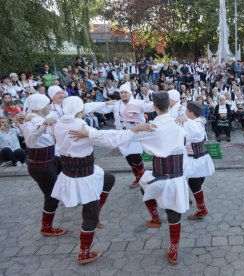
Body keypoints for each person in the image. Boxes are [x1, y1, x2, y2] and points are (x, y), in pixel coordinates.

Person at [70, 91, 189, 265]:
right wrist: (187, 118)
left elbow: (117, 138)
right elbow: (198, 125)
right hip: (177, 177)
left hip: (161, 176)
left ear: (154, 107)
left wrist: (89, 135)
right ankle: (173, 248)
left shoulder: (151, 127)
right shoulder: (181, 124)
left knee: (144, 183)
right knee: (171, 212)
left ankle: (155, 216)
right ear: (170, 105)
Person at [51, 96, 140, 264]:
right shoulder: (81, 127)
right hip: (84, 175)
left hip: (74, 169)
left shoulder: (58, 123)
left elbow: (85, 109)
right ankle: (83, 253)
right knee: (89, 215)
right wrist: (134, 131)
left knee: (109, 179)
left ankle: (96, 212)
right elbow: (110, 139)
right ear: (79, 110)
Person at [19, 93, 65, 236]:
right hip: (41, 167)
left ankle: (75, 196)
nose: (50, 106)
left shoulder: (33, 117)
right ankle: (46, 227)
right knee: (52, 196)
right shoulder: (33, 122)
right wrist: (43, 123)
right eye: (47, 104)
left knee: (67, 172)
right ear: (39, 107)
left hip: (50, 160)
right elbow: (33, 137)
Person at [96, 83, 154, 189]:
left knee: (135, 157)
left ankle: (141, 178)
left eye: (125, 92)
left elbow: (153, 106)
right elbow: (101, 108)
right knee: (129, 158)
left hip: (135, 134)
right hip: (121, 135)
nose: (123, 94)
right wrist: (104, 103)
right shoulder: (116, 104)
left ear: (130, 93)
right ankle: (138, 177)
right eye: (121, 92)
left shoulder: (138, 103)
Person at [177, 101, 215, 220]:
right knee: (193, 183)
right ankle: (194, 203)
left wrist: (185, 119)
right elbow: (184, 112)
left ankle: (202, 209)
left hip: (196, 160)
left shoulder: (193, 125)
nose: (185, 112)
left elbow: (190, 128)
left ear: (191, 113)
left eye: (187, 111)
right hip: (196, 159)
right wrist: (184, 115)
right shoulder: (196, 120)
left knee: (194, 184)